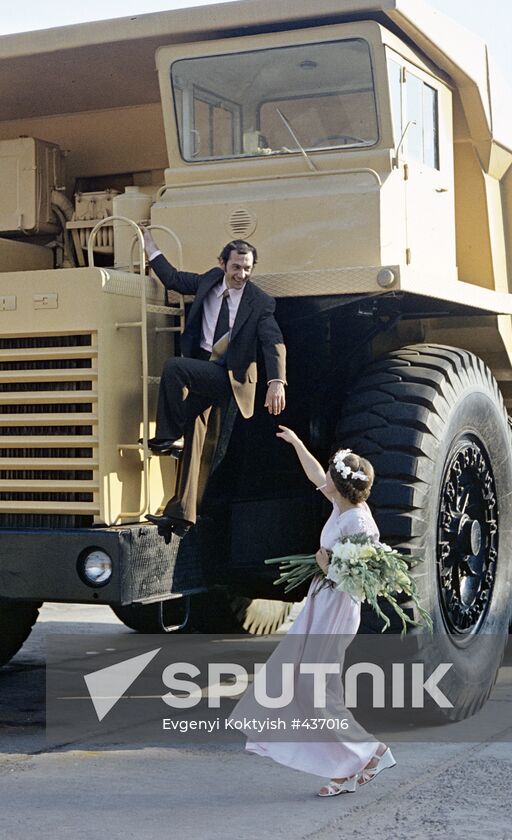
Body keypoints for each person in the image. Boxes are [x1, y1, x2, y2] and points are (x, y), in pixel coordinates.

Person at [233, 425, 394, 798]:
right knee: (312, 688)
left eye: (331, 477)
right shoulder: (343, 504)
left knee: (317, 690)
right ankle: (348, 768)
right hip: (321, 604)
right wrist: (296, 444)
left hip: (337, 609)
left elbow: (361, 580)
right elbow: (316, 476)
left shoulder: (359, 522)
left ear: (341, 486)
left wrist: (326, 569)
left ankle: (370, 752)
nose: (326, 481)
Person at [140, 228, 287, 535]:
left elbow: (273, 342)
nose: (242, 274)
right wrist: (151, 247)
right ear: (222, 263)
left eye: (247, 268)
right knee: (197, 439)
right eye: (236, 267)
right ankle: (181, 516)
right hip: (205, 369)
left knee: (174, 368)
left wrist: (277, 382)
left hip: (230, 378)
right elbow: (174, 279)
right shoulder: (208, 280)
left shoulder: (259, 302)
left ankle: (168, 436)